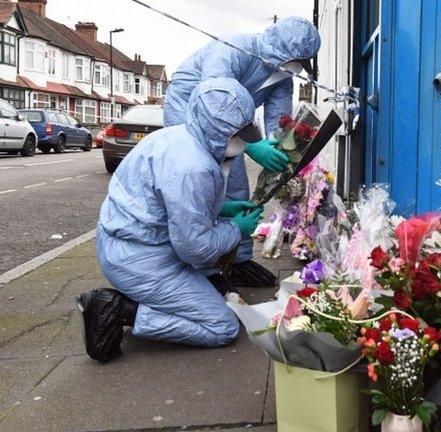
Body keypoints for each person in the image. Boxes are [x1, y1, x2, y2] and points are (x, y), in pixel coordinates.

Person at [77, 78, 263, 362]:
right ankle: (117, 308)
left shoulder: (183, 136)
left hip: (134, 244)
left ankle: (151, 300)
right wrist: (236, 229)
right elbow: (195, 248)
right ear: (218, 129)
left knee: (221, 289)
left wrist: (225, 209)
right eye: (238, 133)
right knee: (222, 326)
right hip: (140, 260)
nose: (244, 141)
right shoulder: (192, 167)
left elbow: (172, 206)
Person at [164, 16, 321, 287]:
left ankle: (237, 261)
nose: (296, 67)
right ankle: (203, 266)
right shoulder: (234, 48)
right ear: (281, 48)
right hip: (189, 110)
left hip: (233, 123)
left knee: (237, 186)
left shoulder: (283, 77)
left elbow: (278, 121)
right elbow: (215, 99)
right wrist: (251, 144)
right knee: (205, 181)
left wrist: (282, 147)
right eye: (297, 59)